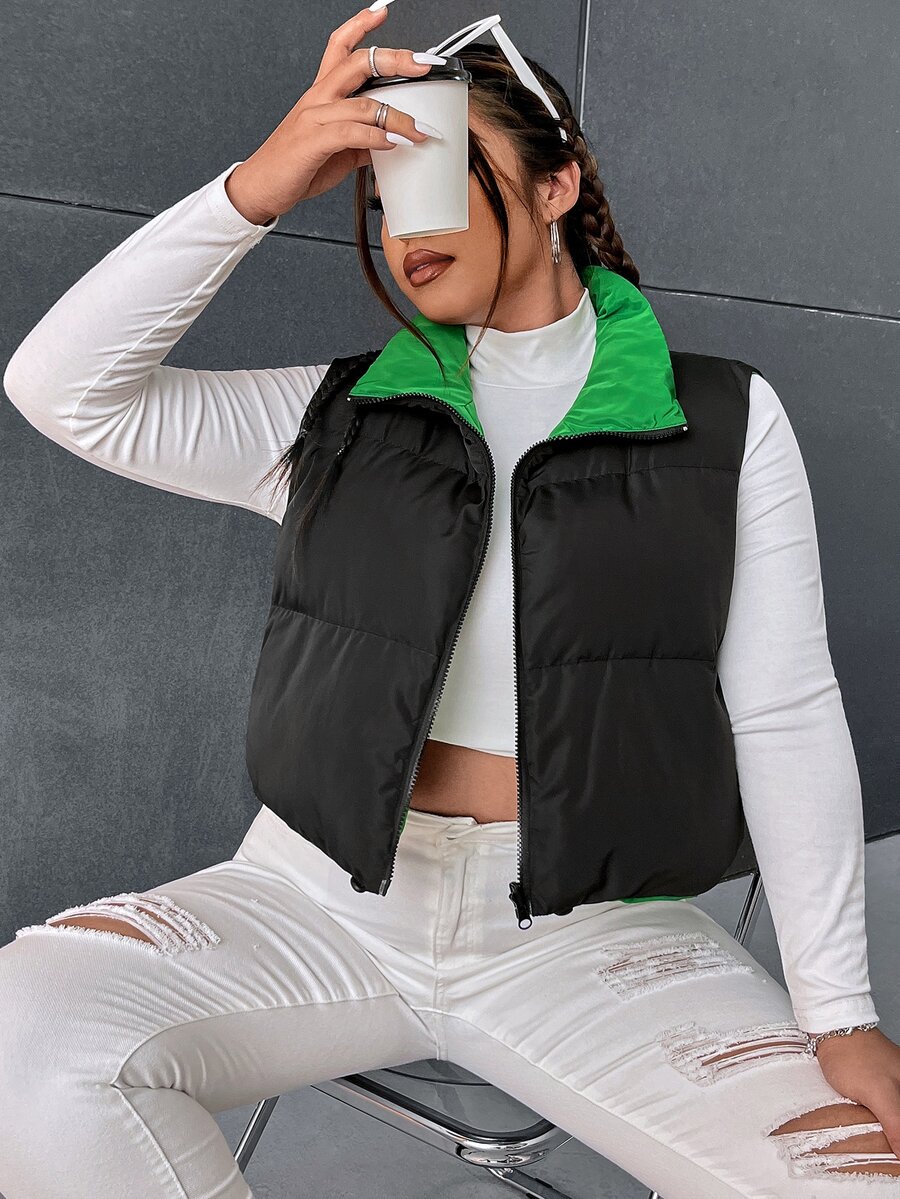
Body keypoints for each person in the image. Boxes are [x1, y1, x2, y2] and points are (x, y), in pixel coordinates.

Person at [1, 5, 898, 1195]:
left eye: (438, 170)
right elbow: (61, 387)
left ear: (555, 185)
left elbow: (785, 710)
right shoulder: (330, 419)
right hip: (313, 899)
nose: (404, 223)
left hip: (596, 933)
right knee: (27, 1032)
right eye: (380, 195)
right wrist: (262, 185)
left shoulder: (722, 422)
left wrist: (839, 1011)